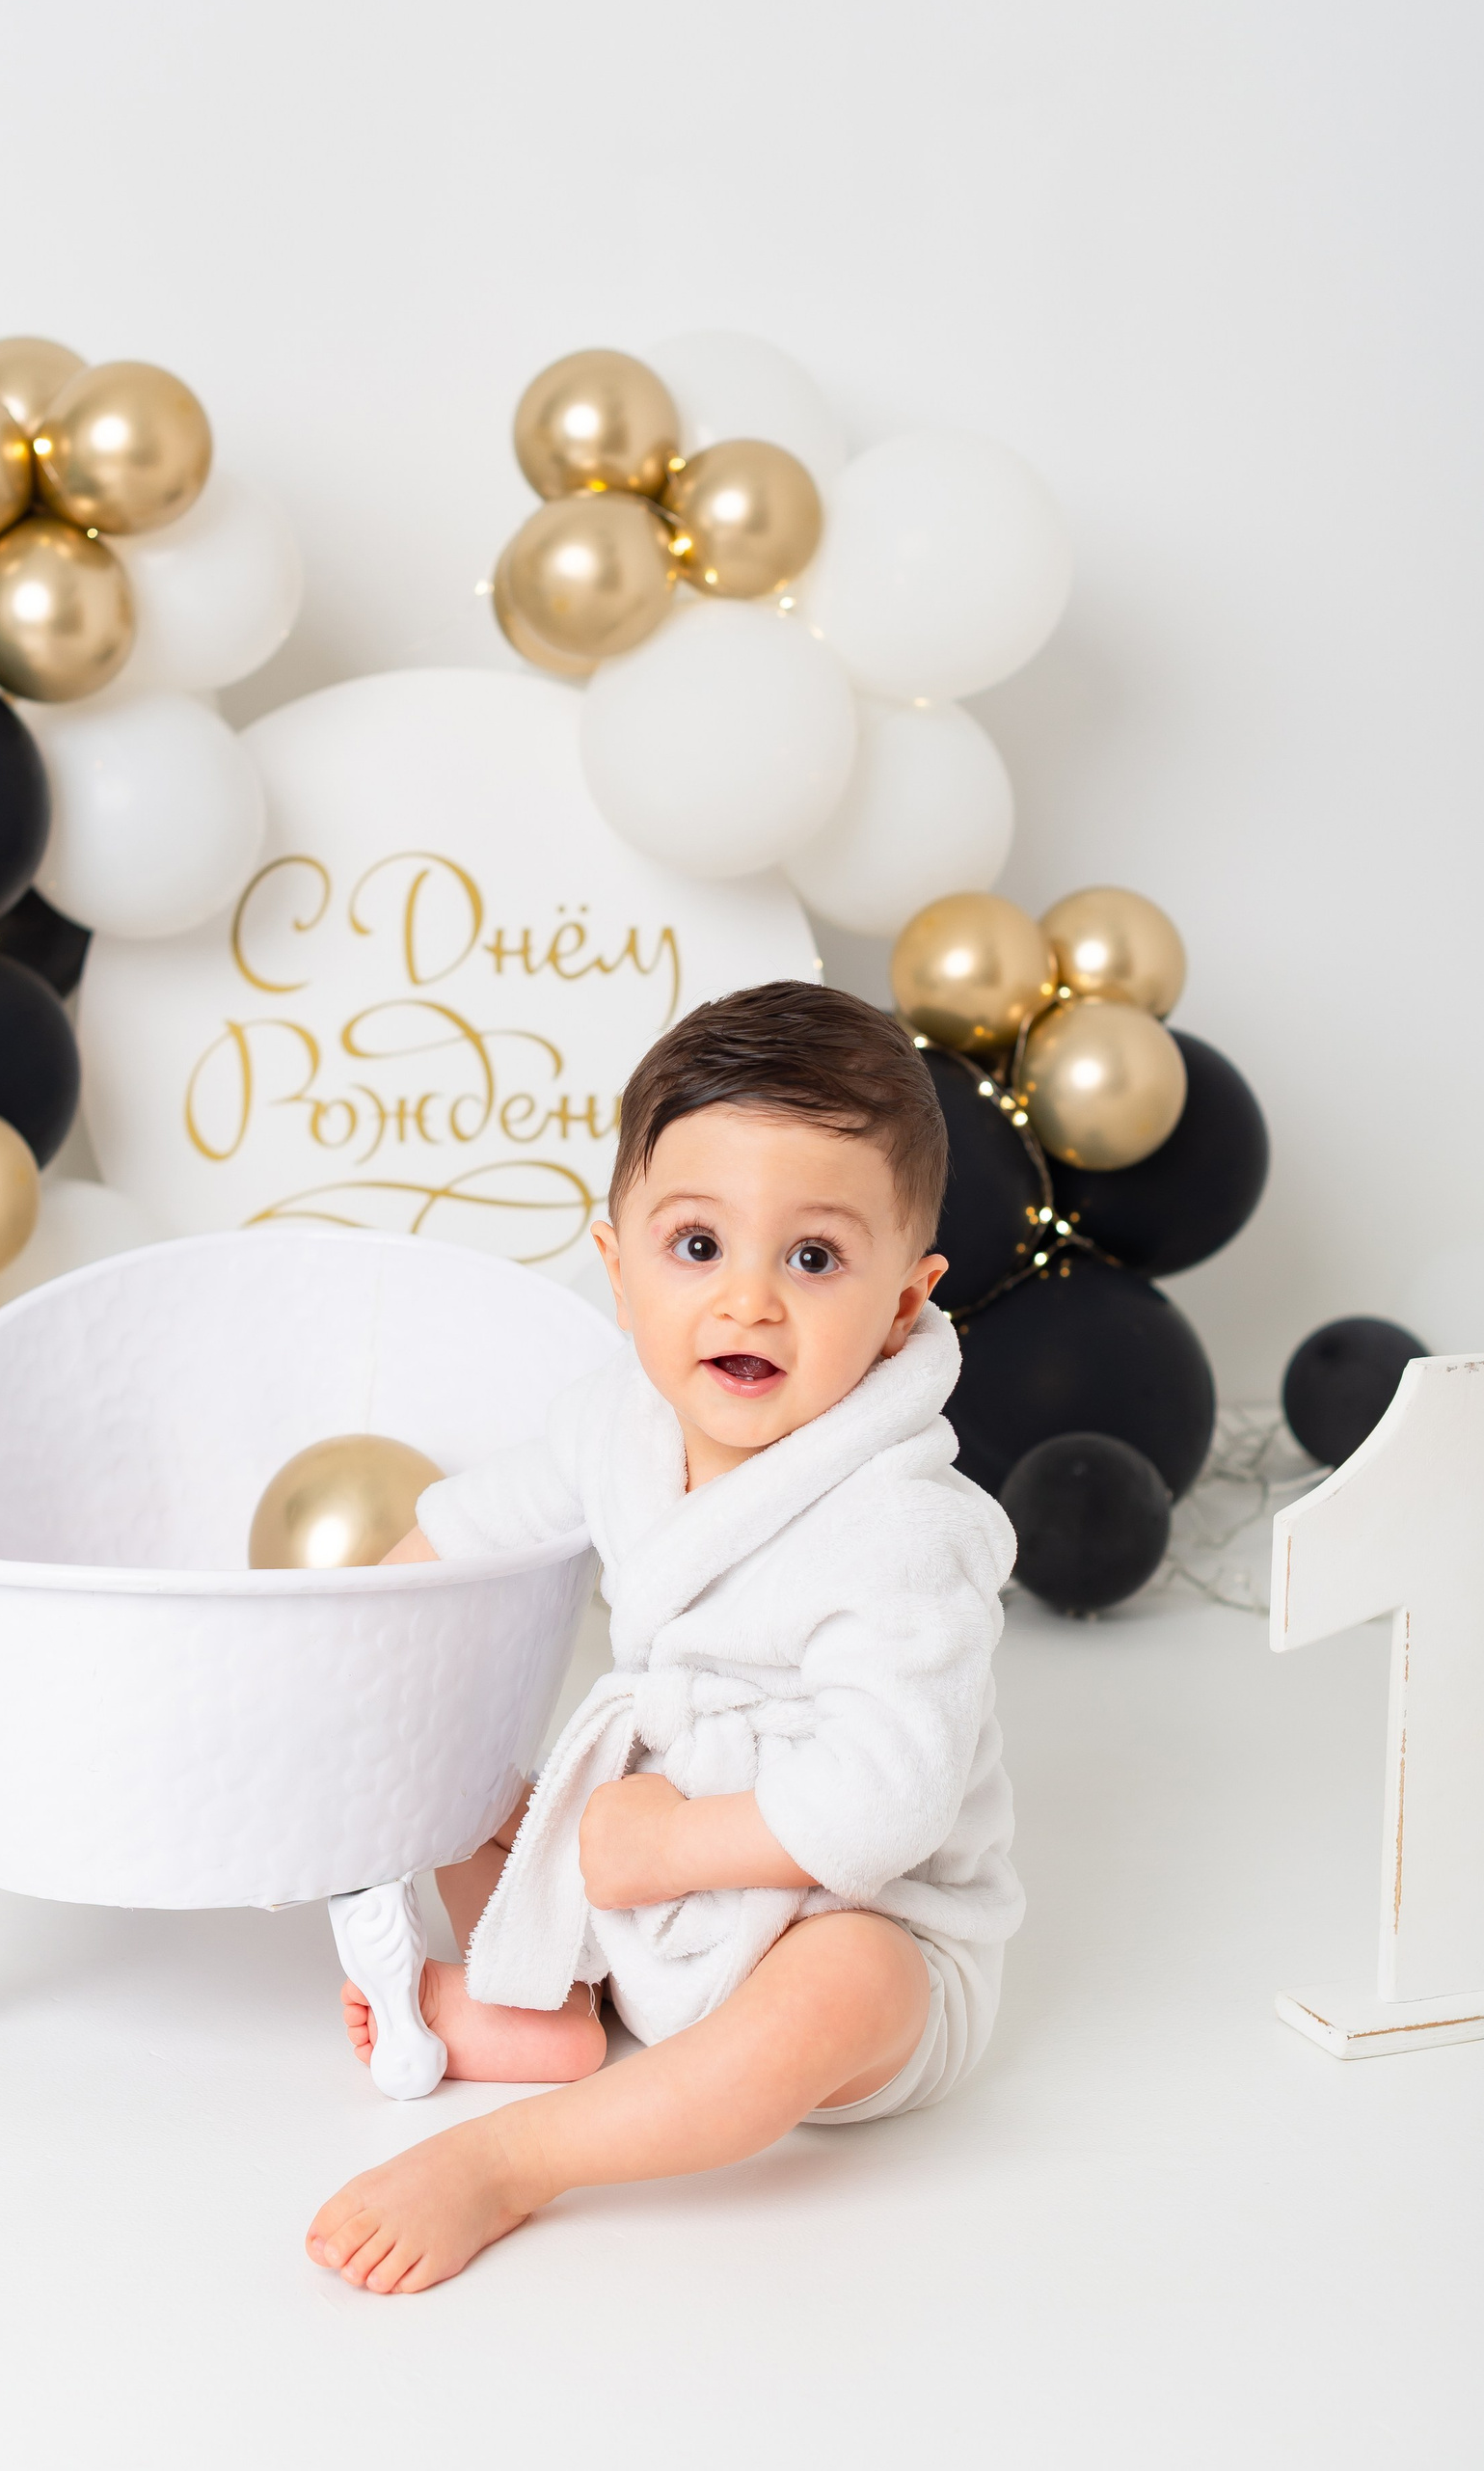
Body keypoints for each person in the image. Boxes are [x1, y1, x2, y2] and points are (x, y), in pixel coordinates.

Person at [307, 980, 1021, 2294]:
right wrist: (350, 1652)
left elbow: (889, 1800)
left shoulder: (908, 1530)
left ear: (904, 1304)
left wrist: (670, 1847)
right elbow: (468, 1529)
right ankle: (555, 2007)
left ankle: (520, 2158)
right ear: (618, 1261)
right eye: (698, 1245)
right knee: (453, 1769)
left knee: (849, 1983)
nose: (748, 1302)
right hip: (647, 1876)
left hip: (848, 1909)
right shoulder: (616, 1422)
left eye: (813, 1259)